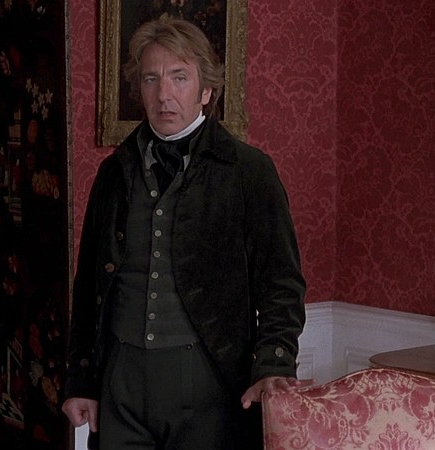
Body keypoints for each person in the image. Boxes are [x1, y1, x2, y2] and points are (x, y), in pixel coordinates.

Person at [61, 17, 306, 450]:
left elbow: (281, 284)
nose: (164, 94)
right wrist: (81, 379)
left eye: (179, 77)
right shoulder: (114, 172)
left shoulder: (249, 172)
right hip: (122, 382)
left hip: (208, 383)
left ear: (206, 90)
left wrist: (274, 364)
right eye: (151, 79)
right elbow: (88, 288)